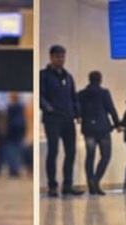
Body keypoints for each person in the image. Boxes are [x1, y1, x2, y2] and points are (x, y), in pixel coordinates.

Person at [40, 44, 84, 197]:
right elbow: (40, 95)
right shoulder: (43, 75)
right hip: (52, 118)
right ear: (51, 57)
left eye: (63, 56)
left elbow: (74, 97)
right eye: (58, 56)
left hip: (67, 118)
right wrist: (47, 107)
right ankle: (52, 185)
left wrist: (78, 114)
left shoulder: (68, 77)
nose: (61, 59)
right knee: (53, 151)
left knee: (70, 152)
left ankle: (68, 185)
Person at [77, 71, 119, 195]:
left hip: (88, 129)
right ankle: (96, 180)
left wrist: (78, 116)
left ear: (89, 80)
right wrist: (117, 124)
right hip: (103, 129)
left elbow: (77, 109)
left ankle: (90, 182)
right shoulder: (104, 93)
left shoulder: (81, 94)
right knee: (105, 156)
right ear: (100, 80)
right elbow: (111, 109)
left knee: (90, 156)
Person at [2, 92, 27, 177]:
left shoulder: (10, 108)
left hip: (11, 133)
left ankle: (13, 169)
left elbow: (7, 122)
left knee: (12, 152)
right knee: (17, 152)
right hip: (18, 132)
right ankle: (15, 168)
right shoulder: (21, 108)